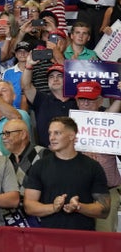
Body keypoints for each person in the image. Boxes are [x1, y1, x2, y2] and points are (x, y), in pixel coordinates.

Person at [23, 116, 110, 230]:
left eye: (57, 133)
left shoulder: (93, 167)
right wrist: (53, 208)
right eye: (50, 133)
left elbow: (104, 210)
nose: (51, 138)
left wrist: (79, 206)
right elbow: (29, 206)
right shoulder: (40, 166)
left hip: (84, 239)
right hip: (48, 238)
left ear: (71, 136)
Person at [69, 80, 121, 232]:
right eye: (81, 99)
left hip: (107, 191)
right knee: (78, 240)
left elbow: (111, 113)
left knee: (104, 239)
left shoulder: (113, 123)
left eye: (90, 99)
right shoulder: (65, 125)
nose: (85, 103)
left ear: (100, 101)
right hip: (76, 191)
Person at [0, 118, 47, 227]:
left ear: (23, 134)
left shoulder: (44, 155)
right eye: (3, 134)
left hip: (40, 220)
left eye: (8, 133)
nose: (4, 137)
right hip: (13, 222)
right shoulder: (5, 161)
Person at [22, 61, 76, 147]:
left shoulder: (78, 101)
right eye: (51, 77)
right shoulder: (41, 99)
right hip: (46, 154)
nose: (55, 79)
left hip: (74, 152)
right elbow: (26, 86)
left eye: (60, 76)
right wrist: (28, 65)